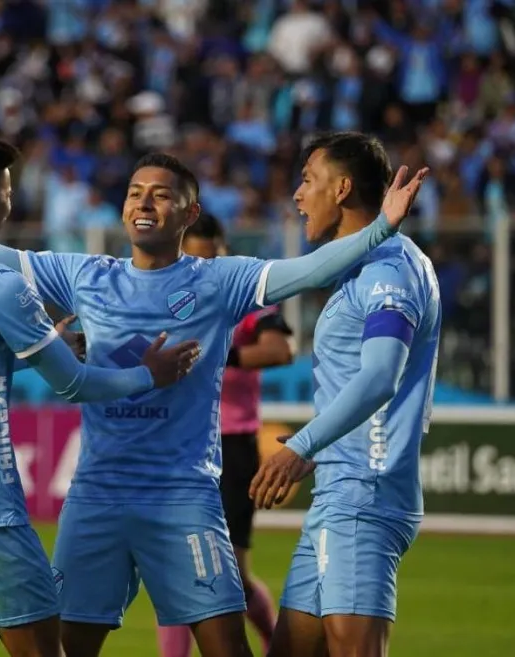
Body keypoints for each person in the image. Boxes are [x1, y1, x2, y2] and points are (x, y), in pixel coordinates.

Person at [0, 134, 426, 657]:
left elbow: (311, 271)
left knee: (227, 648)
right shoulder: (85, 275)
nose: (144, 202)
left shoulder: (221, 280)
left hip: (183, 495)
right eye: (136, 192)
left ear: (188, 216)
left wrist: (380, 228)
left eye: (161, 194)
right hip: (98, 495)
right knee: (68, 648)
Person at [0, 132, 199, 657]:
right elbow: (75, 383)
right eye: (5, 195)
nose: (8, 206)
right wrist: (147, 375)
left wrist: (32, 348)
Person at [250, 132, 440, 657]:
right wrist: (322, 445)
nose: (296, 194)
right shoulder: (362, 267)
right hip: (338, 493)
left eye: (307, 179)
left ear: (342, 189)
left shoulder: (388, 271)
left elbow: (381, 377)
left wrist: (302, 446)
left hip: (364, 495)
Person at [157, 212, 295, 657]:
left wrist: (222, 353)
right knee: (176, 567)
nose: (199, 270)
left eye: (207, 259)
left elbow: (279, 350)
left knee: (231, 570)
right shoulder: (165, 298)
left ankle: (274, 636)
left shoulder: (247, 300)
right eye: (190, 260)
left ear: (221, 249)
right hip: (179, 443)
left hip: (231, 445)